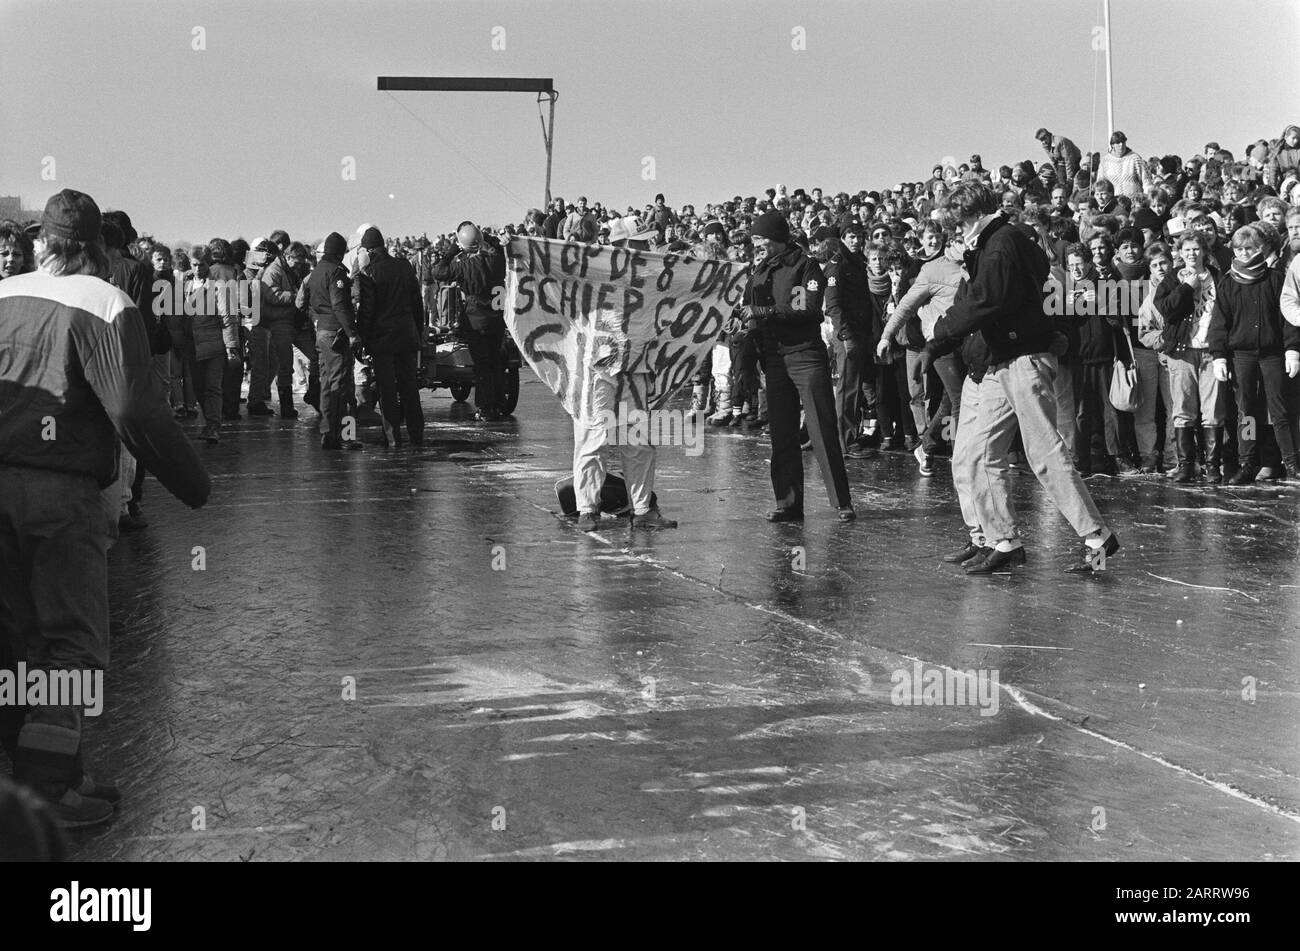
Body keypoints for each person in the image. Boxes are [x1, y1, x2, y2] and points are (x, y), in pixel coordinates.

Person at [0, 189, 210, 826]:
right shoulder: (106, 302)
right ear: (98, 248)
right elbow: (132, 409)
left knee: (17, 639)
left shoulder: (3, 296)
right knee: (75, 645)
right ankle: (46, 793)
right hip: (59, 496)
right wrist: (193, 483)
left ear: (40, 244)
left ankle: (43, 777)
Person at [925, 182, 1118, 573]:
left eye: (958, 224)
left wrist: (940, 337)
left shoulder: (1002, 242)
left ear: (971, 216)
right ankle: (1000, 539)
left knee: (1044, 453)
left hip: (1022, 358)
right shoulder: (991, 245)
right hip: (1000, 360)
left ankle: (1098, 538)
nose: (956, 234)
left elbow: (987, 301)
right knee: (975, 454)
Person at [738, 211, 854, 522]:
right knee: (782, 434)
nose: (756, 245)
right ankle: (787, 503)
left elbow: (806, 308)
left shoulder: (805, 266)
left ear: (776, 238)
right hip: (774, 359)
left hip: (804, 356)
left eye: (760, 239)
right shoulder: (757, 274)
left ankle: (841, 502)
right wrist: (746, 361)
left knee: (821, 429)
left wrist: (764, 311)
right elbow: (748, 321)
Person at [567, 221, 678, 532]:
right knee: (593, 438)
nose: (647, 249)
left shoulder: (653, 275)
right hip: (600, 366)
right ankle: (587, 508)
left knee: (639, 442)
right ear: (623, 244)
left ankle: (642, 509)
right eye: (640, 243)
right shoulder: (594, 272)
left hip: (638, 366)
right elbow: (556, 270)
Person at [1208, 223, 1300, 483]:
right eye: (1239, 249)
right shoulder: (1228, 283)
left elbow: (1287, 319)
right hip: (1242, 356)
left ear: (1259, 248)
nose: (1245, 253)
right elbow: (1219, 323)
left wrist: (1293, 350)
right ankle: (1247, 463)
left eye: (1249, 248)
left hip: (1272, 354)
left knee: (1279, 409)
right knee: (1246, 412)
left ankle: (1291, 462)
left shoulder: (1274, 279)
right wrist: (1219, 356)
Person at [1154, 231, 1225, 482]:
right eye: (1187, 250)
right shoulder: (1172, 278)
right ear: (1179, 253)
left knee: (1212, 410)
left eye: (1196, 249)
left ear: (1204, 251)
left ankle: (1213, 465)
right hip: (1182, 351)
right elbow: (1166, 310)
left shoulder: (1218, 277)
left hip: (1210, 351)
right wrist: (1186, 287)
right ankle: (1186, 464)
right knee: (1183, 408)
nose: (1192, 254)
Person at [431, 221, 509, 421]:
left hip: (475, 321)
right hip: (497, 318)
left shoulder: (464, 266)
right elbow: (498, 248)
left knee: (482, 366)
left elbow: (438, 272)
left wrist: (451, 251)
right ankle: (499, 403)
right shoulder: (497, 259)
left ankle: (485, 408)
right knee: (496, 362)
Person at [355, 226, 425, 448]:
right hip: (406, 336)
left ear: (368, 250)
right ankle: (416, 434)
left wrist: (362, 339)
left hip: (381, 339)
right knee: (409, 388)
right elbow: (417, 304)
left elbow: (366, 311)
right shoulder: (404, 267)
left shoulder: (368, 273)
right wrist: (419, 331)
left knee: (387, 390)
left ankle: (393, 437)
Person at [297, 231, 363, 450]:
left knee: (327, 384)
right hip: (336, 333)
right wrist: (352, 333)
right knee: (343, 386)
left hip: (321, 333)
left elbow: (302, 303)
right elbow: (340, 305)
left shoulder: (314, 274)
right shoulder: (336, 273)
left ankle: (327, 431)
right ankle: (347, 435)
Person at [822, 223, 874, 458]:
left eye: (860, 236)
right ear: (843, 238)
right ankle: (845, 441)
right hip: (847, 334)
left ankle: (850, 435)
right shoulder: (837, 266)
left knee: (858, 386)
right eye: (852, 236)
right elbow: (833, 305)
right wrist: (846, 335)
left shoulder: (859, 261)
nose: (856, 240)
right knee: (848, 388)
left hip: (862, 331)